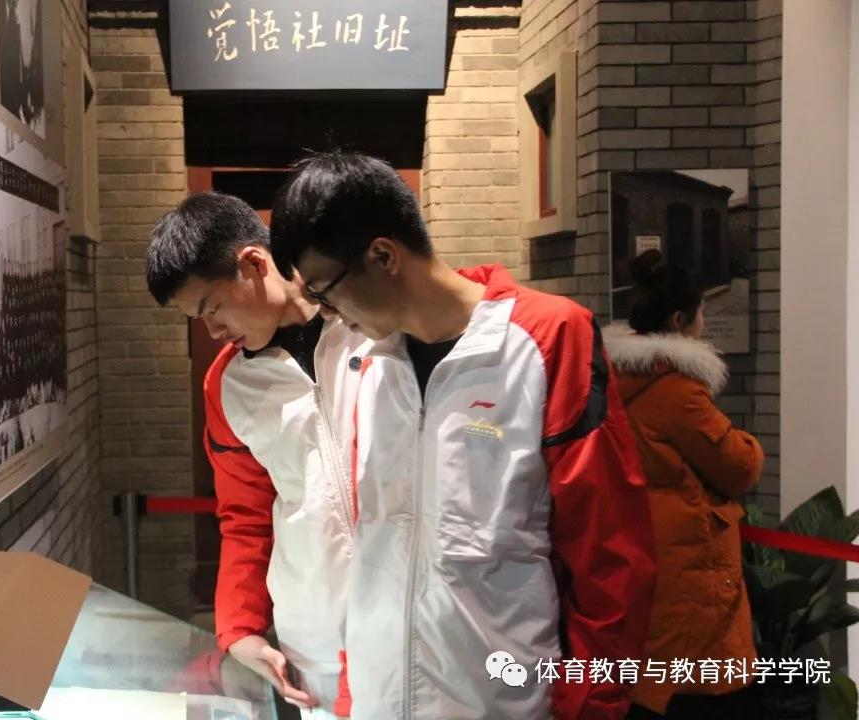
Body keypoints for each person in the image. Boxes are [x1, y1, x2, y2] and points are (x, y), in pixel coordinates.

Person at [269, 150, 657, 720]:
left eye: (325, 290)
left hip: (502, 702)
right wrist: (353, 691)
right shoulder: (369, 366)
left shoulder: (547, 338)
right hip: (378, 702)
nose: (327, 313)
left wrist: (591, 707)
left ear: (383, 256)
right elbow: (371, 547)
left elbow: (610, 552)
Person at [146, 192, 370, 719]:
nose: (213, 332)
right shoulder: (228, 385)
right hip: (314, 642)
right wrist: (239, 627)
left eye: (212, 308)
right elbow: (244, 515)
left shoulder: (372, 332)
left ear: (253, 264)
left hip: (418, 622)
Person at [603, 250, 763, 720]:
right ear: (679, 319)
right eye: (701, 312)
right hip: (689, 562)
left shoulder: (613, 378)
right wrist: (752, 445)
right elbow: (739, 467)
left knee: (651, 679)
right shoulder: (677, 389)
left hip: (638, 546)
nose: (704, 322)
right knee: (699, 685)